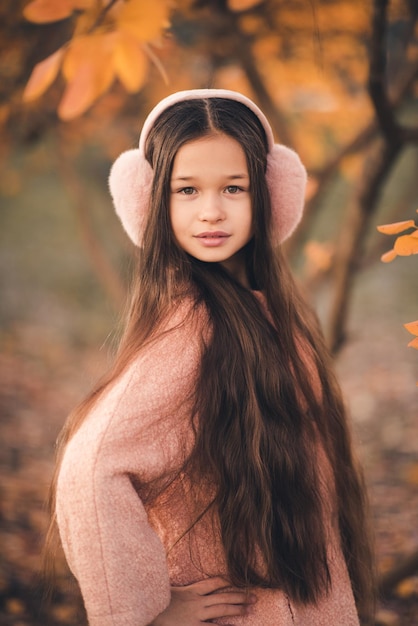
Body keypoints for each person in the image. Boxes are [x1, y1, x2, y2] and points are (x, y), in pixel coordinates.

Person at [51, 89, 375, 625]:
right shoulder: (191, 330)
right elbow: (89, 468)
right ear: (151, 202)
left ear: (271, 195)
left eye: (233, 187)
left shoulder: (268, 317)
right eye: (187, 190)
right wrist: (145, 613)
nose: (211, 212)